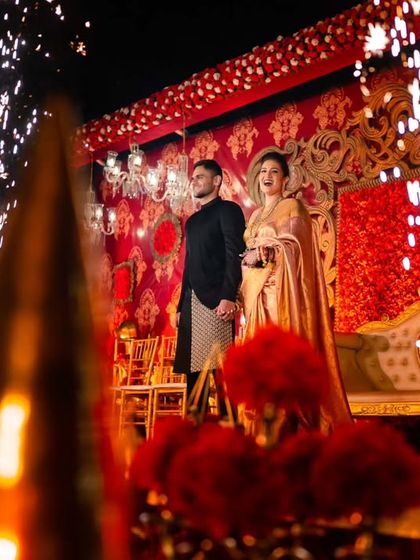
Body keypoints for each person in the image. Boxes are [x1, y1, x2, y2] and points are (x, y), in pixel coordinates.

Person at [240, 150, 352, 433]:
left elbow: (296, 246)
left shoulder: (293, 206)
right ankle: (263, 428)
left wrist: (266, 252)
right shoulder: (255, 215)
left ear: (285, 180)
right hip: (256, 296)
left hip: (282, 295)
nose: (267, 176)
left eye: (274, 172)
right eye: (263, 172)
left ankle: (287, 427)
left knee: (280, 359)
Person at [173, 159, 246, 413]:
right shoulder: (192, 222)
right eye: (193, 178)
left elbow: (234, 253)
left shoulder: (228, 210)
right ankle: (195, 431)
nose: (194, 181)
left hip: (216, 300)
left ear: (217, 181)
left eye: (200, 177)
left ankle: (230, 432)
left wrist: (228, 295)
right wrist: (180, 306)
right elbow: (188, 265)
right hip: (191, 303)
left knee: (220, 372)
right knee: (193, 376)